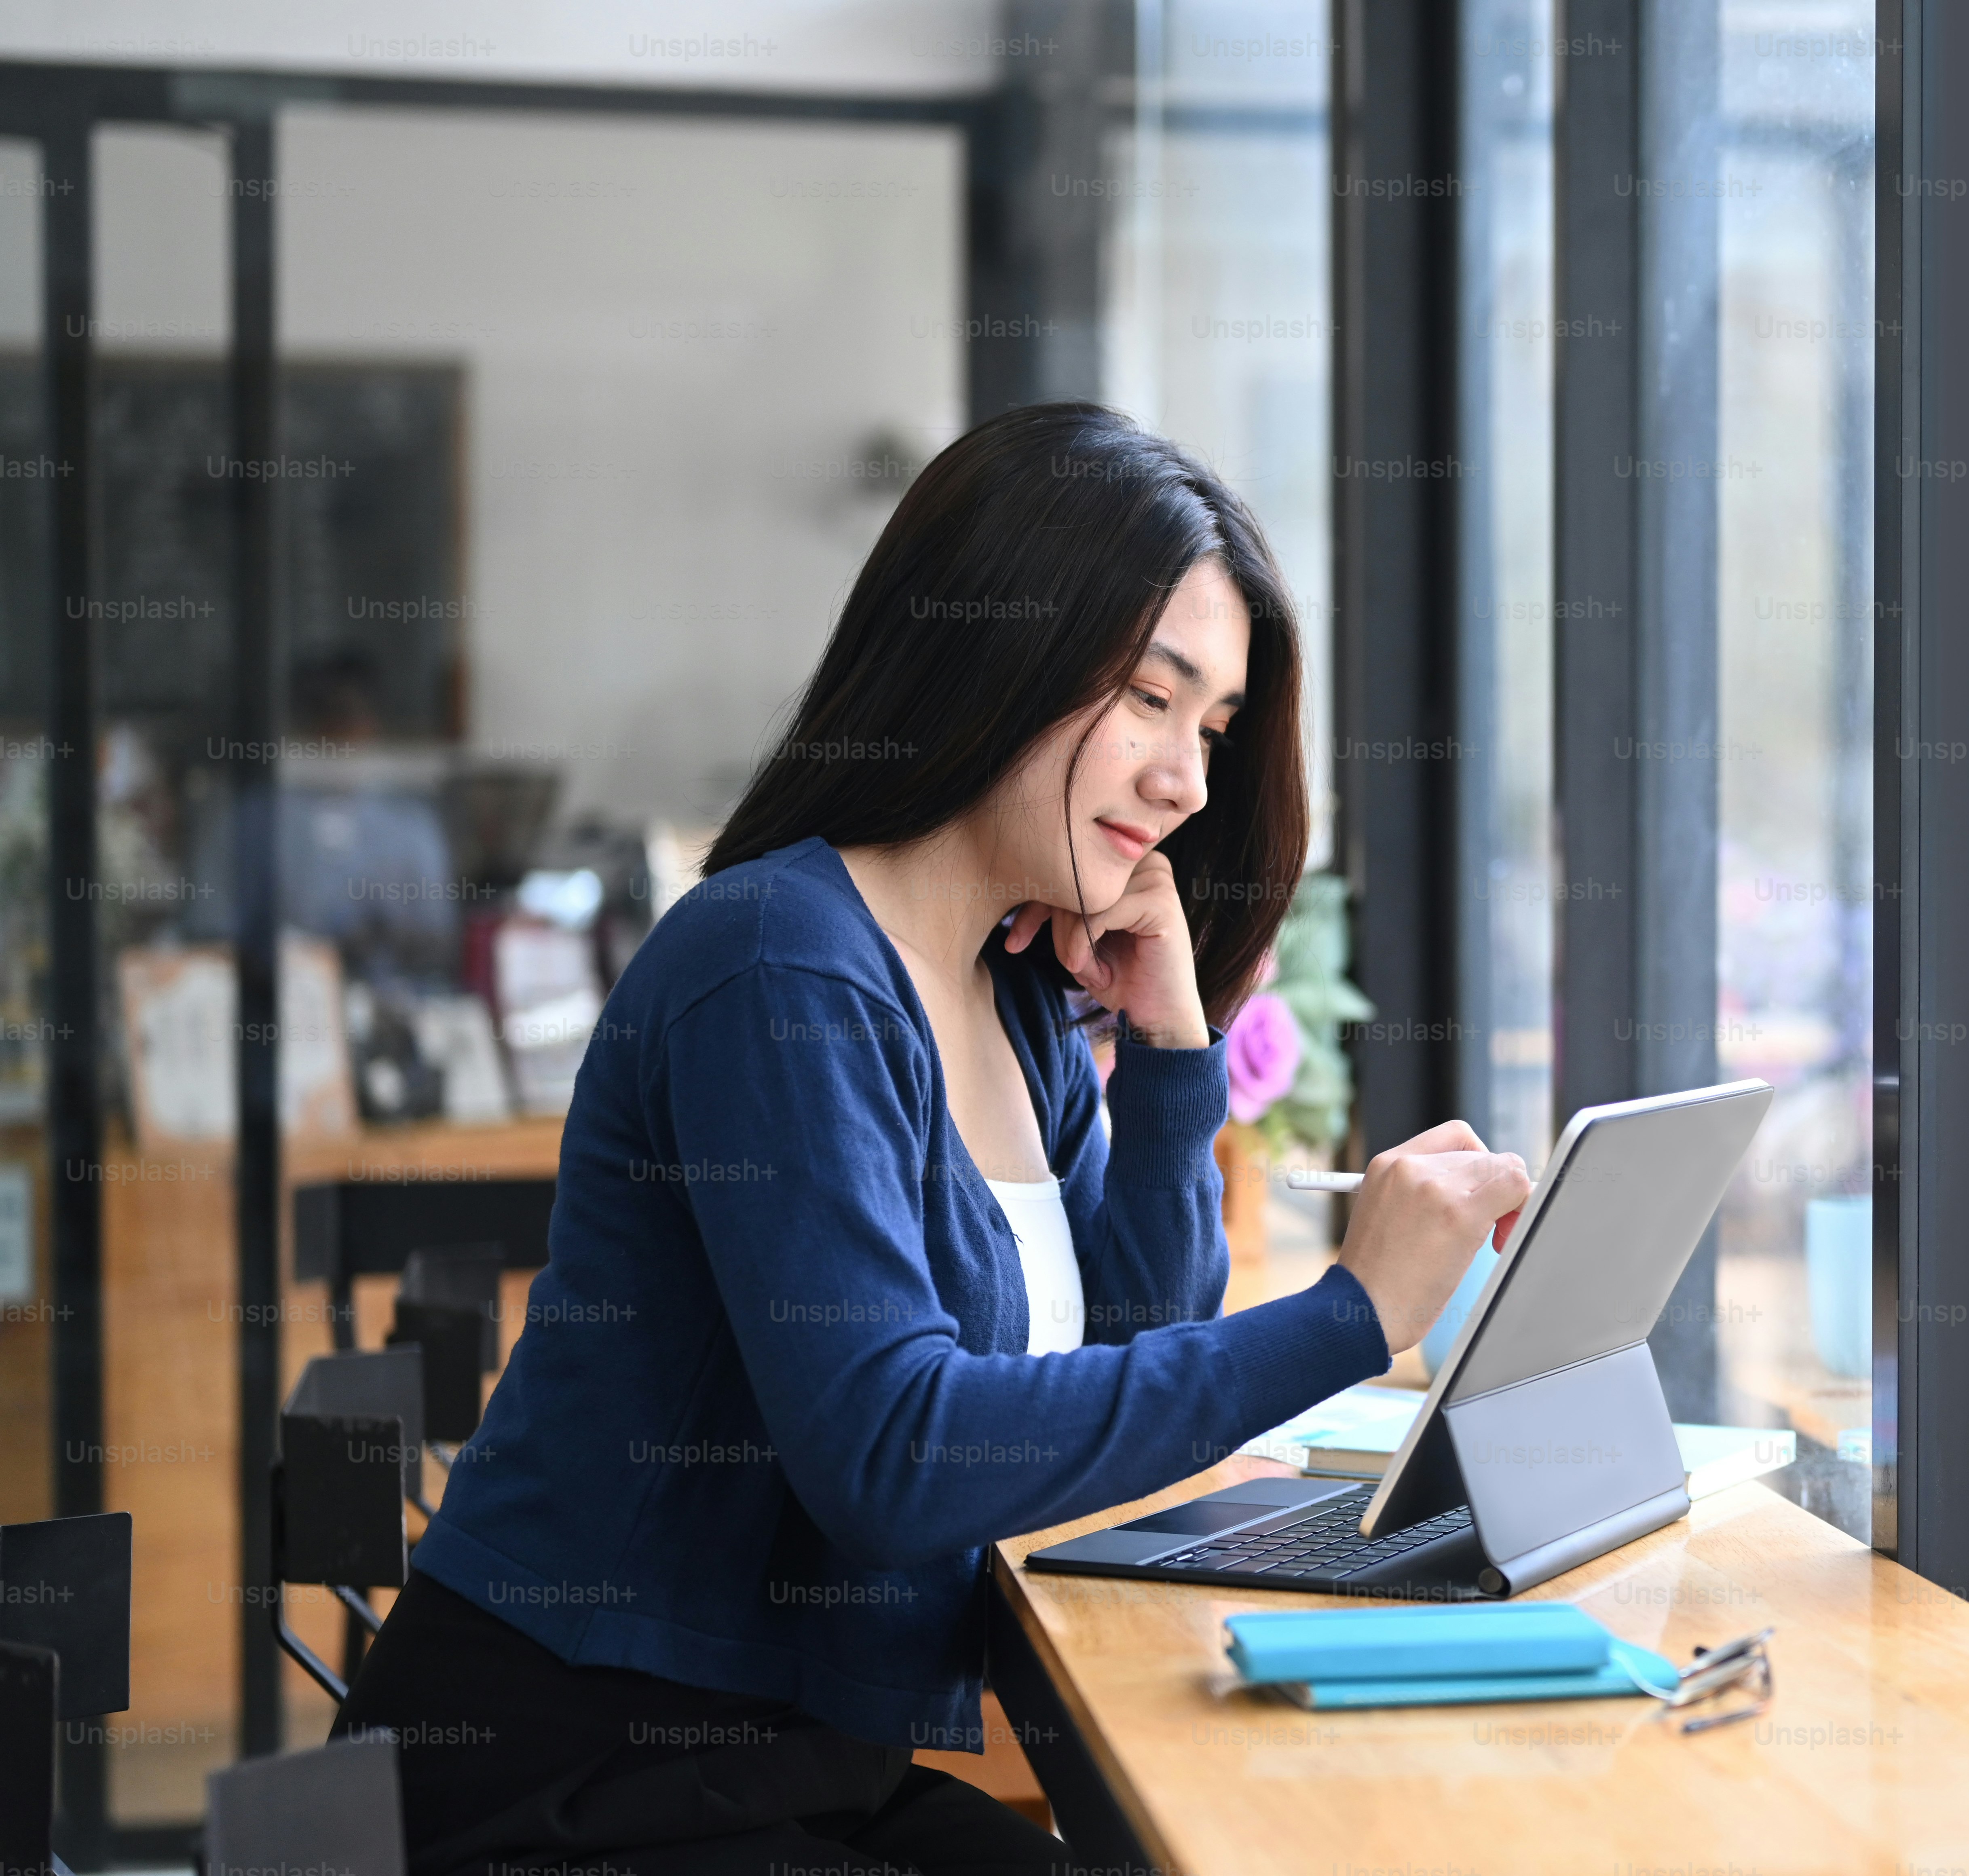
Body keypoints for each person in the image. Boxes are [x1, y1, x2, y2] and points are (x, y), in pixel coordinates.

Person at [335, 404, 1530, 1876]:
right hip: (564, 1779)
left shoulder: (1010, 990)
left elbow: (1128, 1342)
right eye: (1151, 700)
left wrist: (1169, 1056)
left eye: (1213, 728)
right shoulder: (778, 967)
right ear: (995, 656)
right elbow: (893, 1456)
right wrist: (1352, 1317)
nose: (1189, 782)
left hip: (772, 1759)